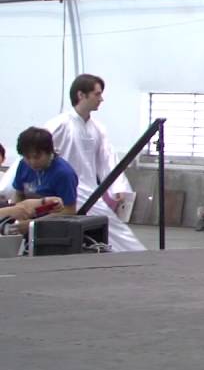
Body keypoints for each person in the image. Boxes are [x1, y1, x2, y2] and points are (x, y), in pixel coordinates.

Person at [44, 73, 146, 252]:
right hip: (65, 188)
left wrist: (117, 187)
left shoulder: (98, 129)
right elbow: (34, 150)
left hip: (89, 190)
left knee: (111, 226)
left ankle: (136, 255)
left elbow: (106, 160)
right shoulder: (59, 125)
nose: (101, 99)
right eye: (97, 94)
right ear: (81, 95)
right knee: (109, 226)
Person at [7, 127, 78, 236]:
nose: (32, 162)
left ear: (49, 152)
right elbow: (18, 194)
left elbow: (69, 211)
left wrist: (33, 224)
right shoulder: (23, 165)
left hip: (52, 230)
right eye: (27, 157)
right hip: (25, 223)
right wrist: (15, 216)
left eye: (37, 157)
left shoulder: (64, 173)